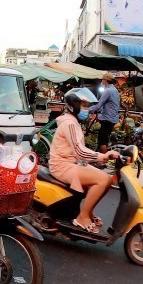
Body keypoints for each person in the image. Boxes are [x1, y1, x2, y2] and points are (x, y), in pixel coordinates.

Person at [49, 88, 118, 233]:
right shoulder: (69, 123)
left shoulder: (73, 121)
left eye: (87, 106)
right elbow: (79, 151)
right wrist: (101, 156)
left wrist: (102, 158)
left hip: (71, 164)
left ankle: (88, 212)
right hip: (62, 166)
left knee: (108, 179)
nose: (87, 109)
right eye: (84, 105)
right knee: (102, 180)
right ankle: (83, 216)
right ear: (73, 105)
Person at [89, 73, 120, 153]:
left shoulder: (108, 90)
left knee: (102, 141)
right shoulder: (114, 90)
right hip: (112, 119)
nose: (101, 80)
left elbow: (99, 105)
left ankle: (104, 159)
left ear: (105, 80)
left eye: (102, 79)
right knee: (105, 139)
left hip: (107, 119)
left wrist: (87, 110)